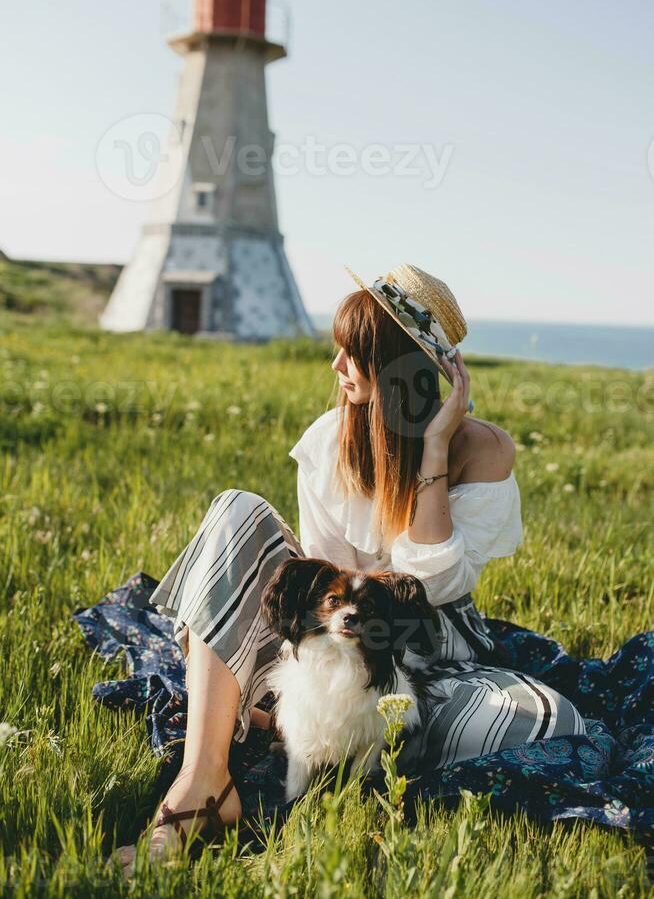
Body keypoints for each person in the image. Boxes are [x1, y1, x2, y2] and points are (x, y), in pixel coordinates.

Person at [111, 264, 585, 875]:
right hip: (333, 631)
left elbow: (437, 585)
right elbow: (319, 579)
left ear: (397, 366)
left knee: (546, 722)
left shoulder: (482, 449)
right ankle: (203, 782)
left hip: (428, 641)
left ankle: (276, 714)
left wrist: (434, 450)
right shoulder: (330, 440)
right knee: (237, 508)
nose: (335, 366)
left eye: (353, 352)